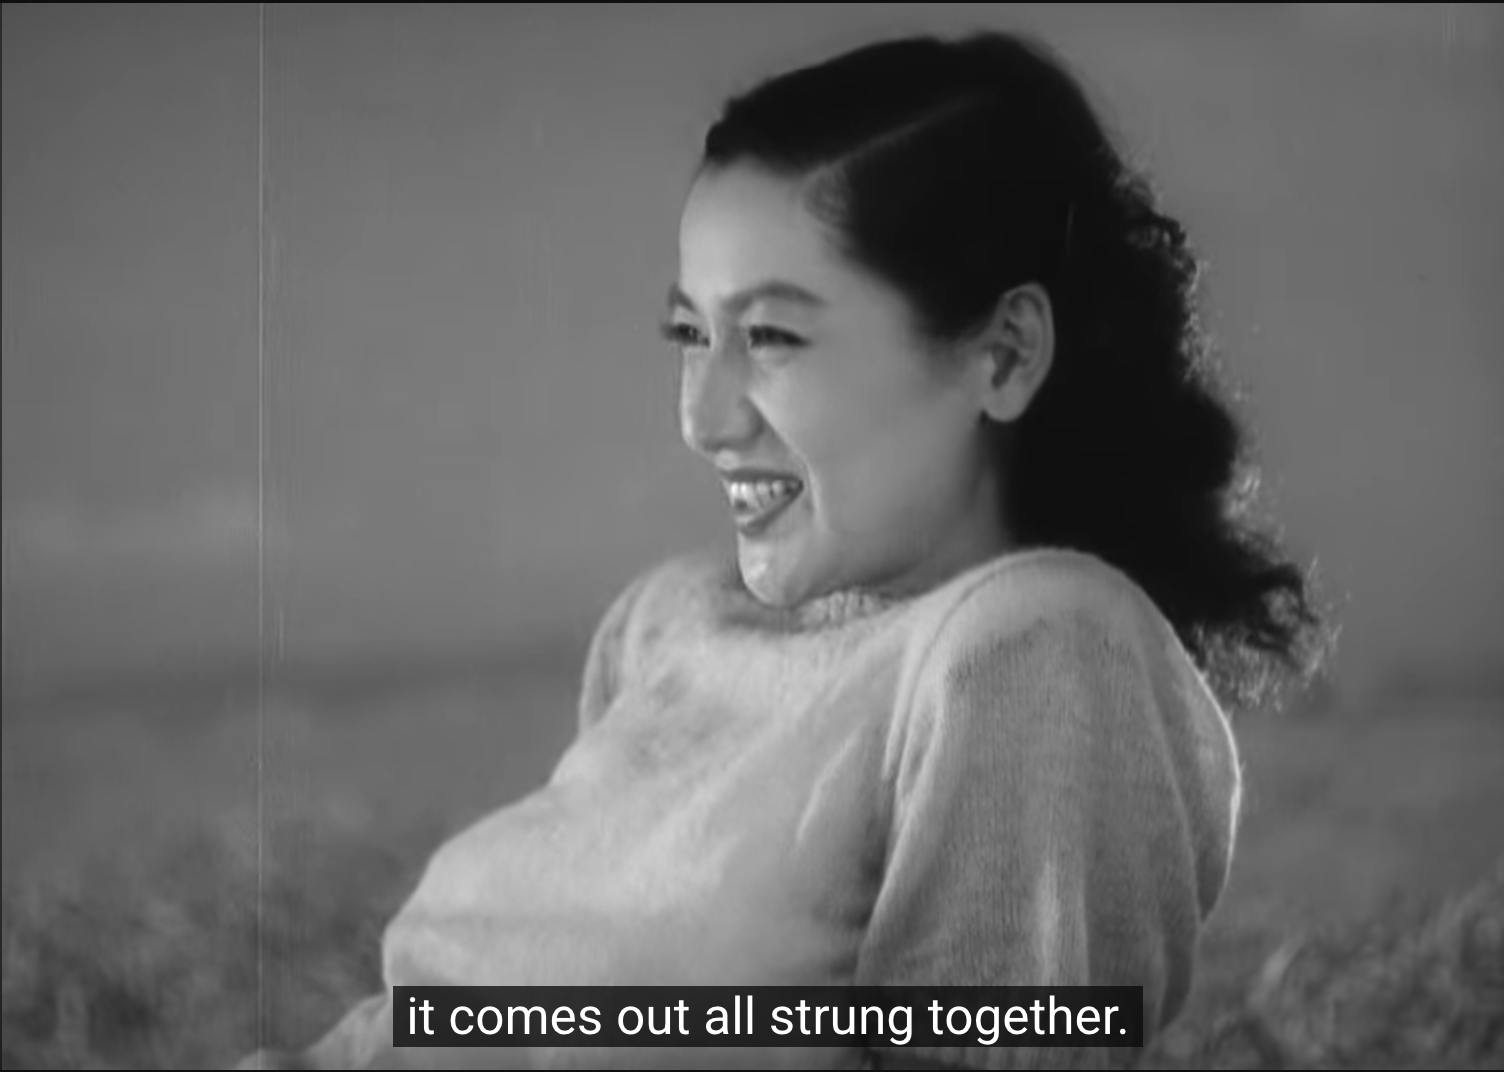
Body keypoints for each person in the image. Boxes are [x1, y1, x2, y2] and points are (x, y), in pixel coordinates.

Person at [239, 27, 1326, 1072]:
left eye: (771, 336)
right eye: (690, 334)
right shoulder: (666, 624)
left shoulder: (1033, 645)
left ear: (1004, 354)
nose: (701, 419)